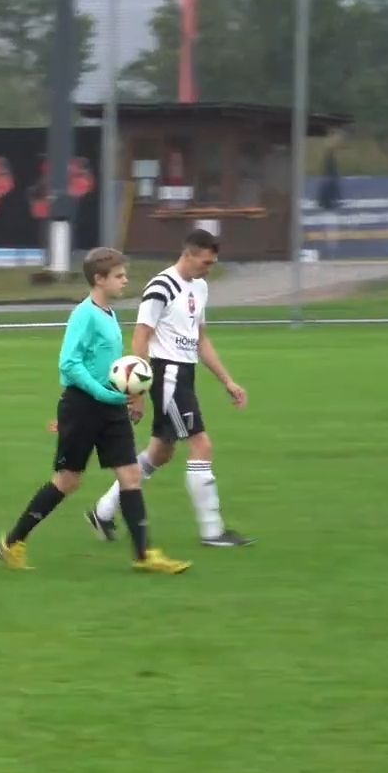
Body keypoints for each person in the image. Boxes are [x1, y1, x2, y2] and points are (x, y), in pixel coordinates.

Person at [0, 247, 191, 574]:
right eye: (119, 276)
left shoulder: (109, 314)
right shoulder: (84, 314)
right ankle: (13, 542)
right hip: (82, 407)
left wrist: (129, 392)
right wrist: (104, 392)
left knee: (130, 475)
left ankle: (144, 554)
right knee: (67, 480)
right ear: (99, 280)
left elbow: (108, 366)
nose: (125, 280)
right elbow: (69, 364)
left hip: (110, 407)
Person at [86, 229, 253, 547]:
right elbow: (140, 337)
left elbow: (200, 338)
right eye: (205, 262)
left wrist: (227, 380)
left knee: (160, 453)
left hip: (184, 374)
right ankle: (212, 531)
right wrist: (136, 392)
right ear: (188, 254)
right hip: (168, 375)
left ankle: (103, 512)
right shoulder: (161, 286)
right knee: (201, 445)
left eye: (213, 263)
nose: (209, 268)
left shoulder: (200, 287)